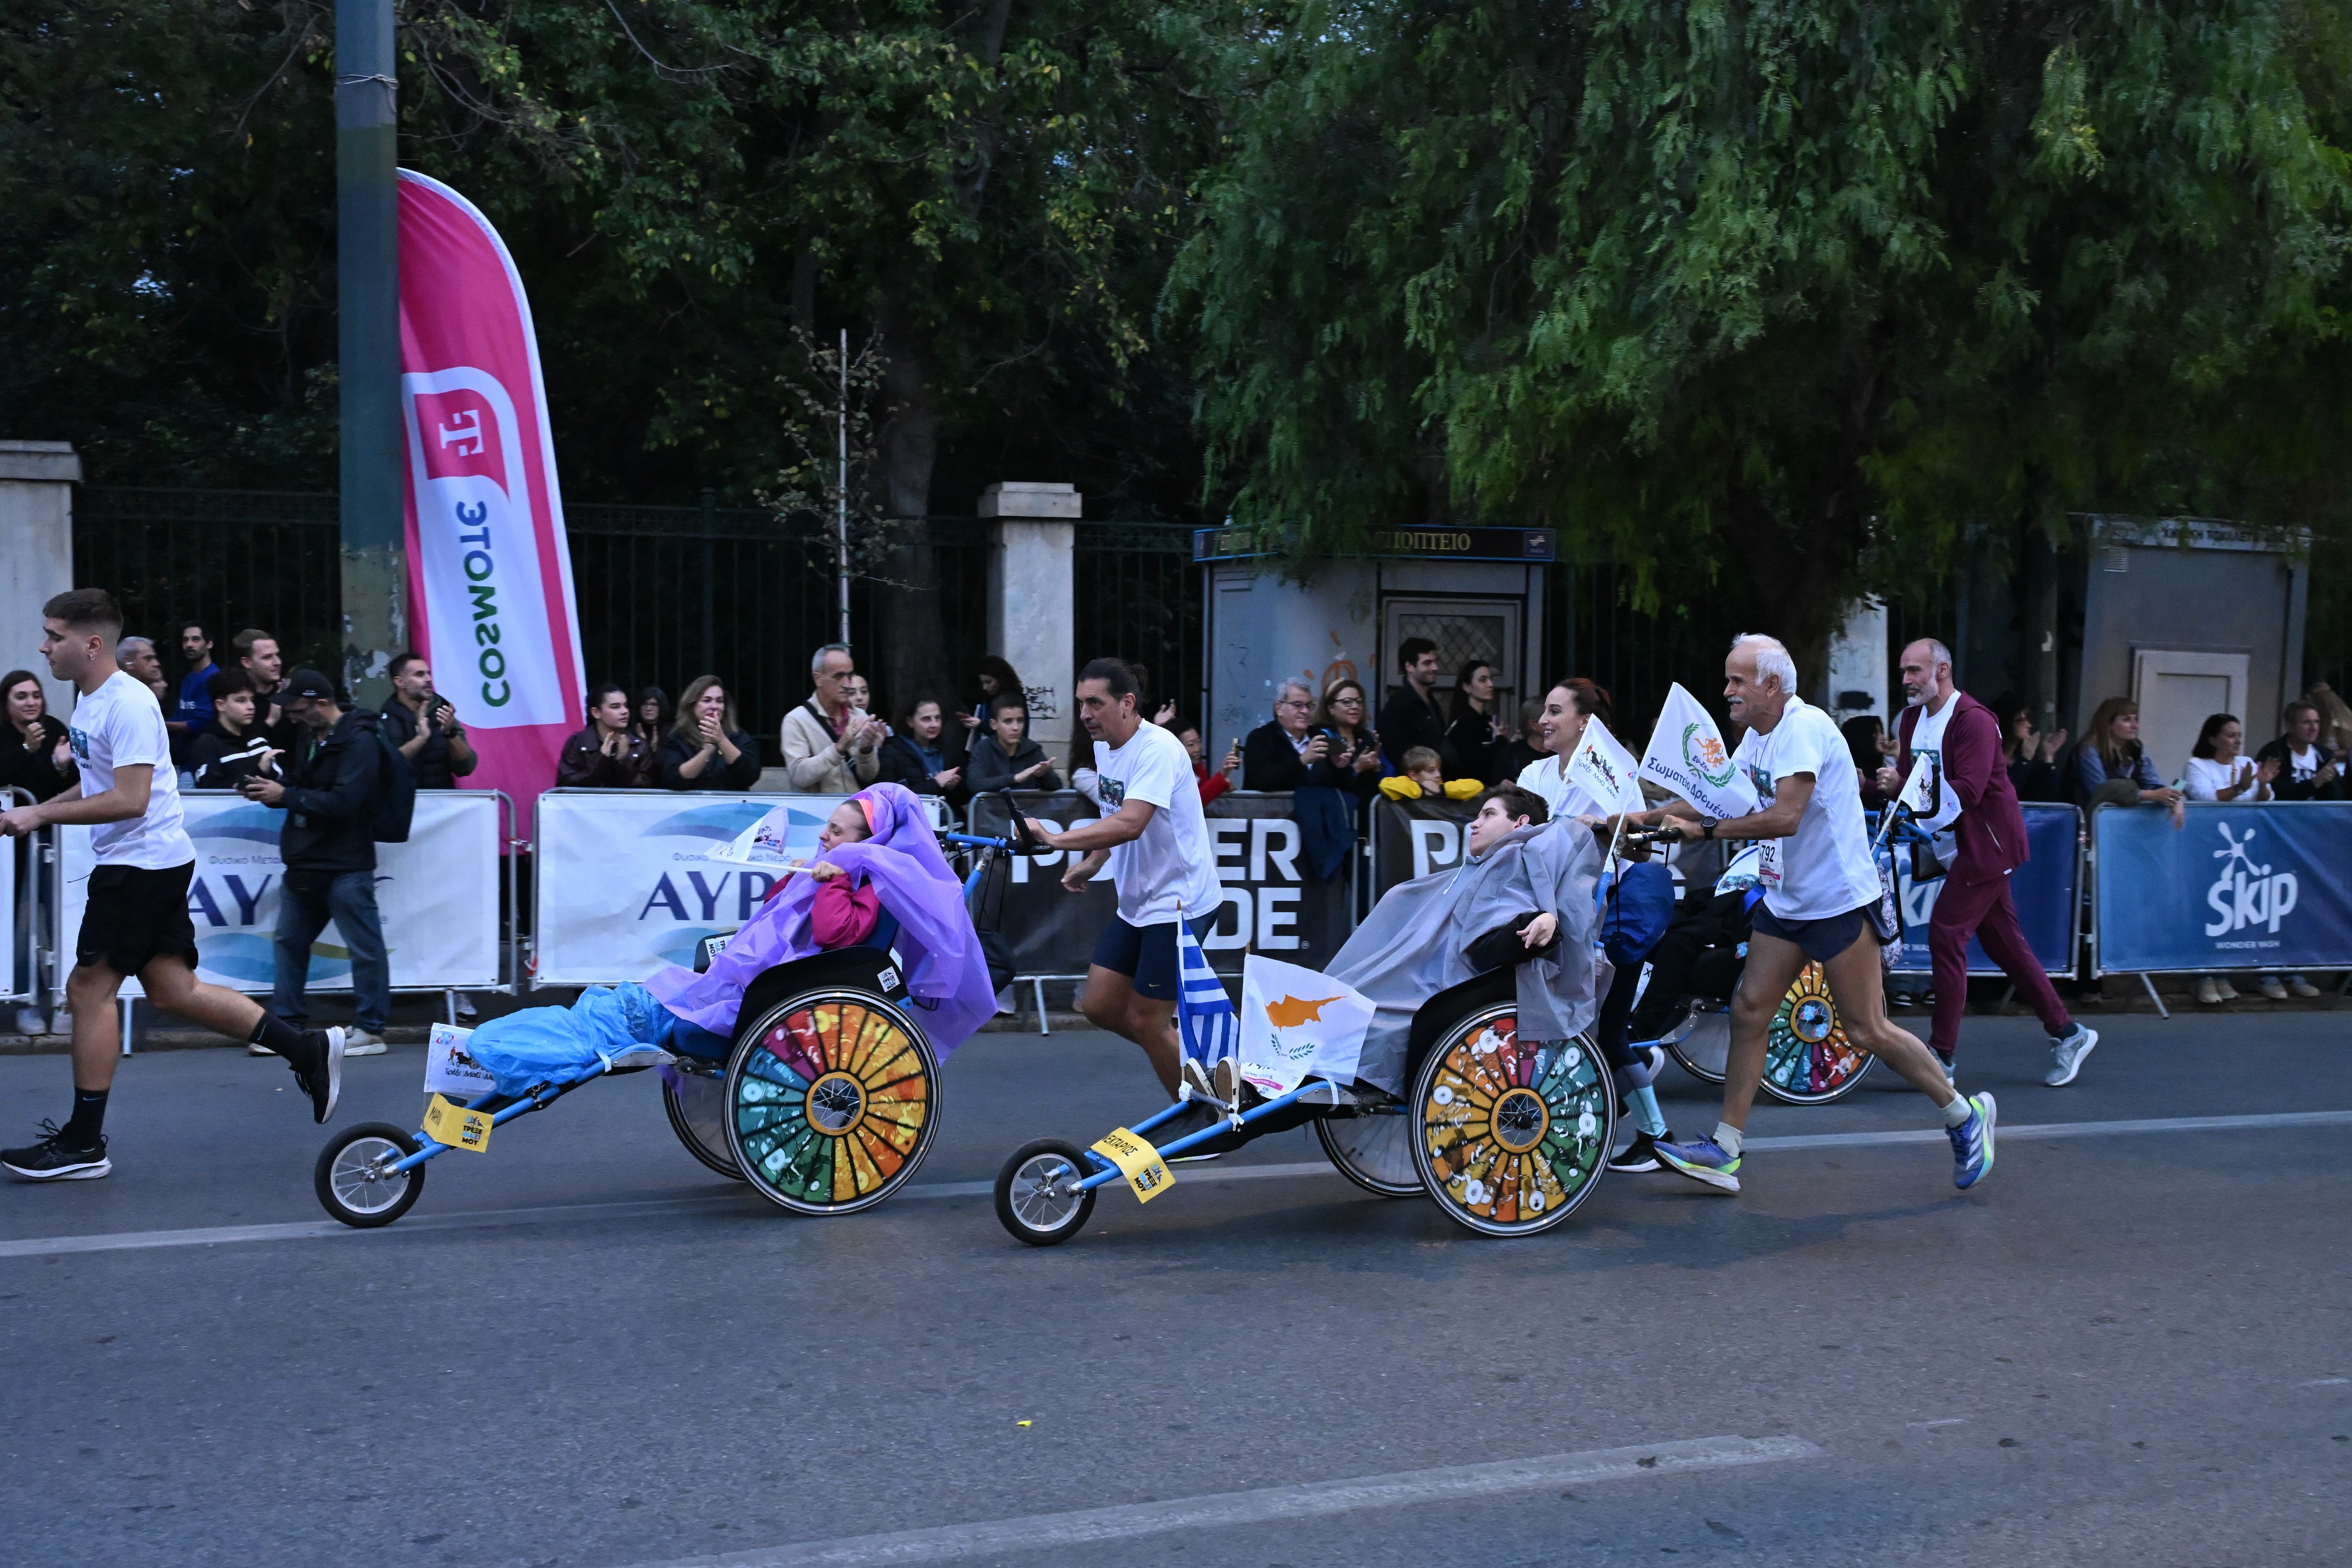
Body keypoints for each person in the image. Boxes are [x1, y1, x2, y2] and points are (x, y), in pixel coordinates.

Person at [1633, 634, 1996, 1195]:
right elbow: (1721, 796)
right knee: (1750, 1009)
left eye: (1737, 681)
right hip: (1787, 900)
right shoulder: (1759, 736)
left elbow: (1784, 818)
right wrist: (1640, 817)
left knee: (1865, 1029)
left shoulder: (1803, 729)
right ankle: (1725, 1151)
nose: (1727, 691)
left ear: (1772, 686)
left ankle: (1964, 1116)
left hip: (1837, 903)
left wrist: (1701, 831)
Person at [0, 590, 345, 1180]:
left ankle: (84, 1144)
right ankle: (305, 1048)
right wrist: (36, 810)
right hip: (145, 863)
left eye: (53, 635)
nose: (43, 646)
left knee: (88, 991)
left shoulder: (129, 705)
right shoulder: (90, 700)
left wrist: (40, 816)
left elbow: (131, 800)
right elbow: (97, 784)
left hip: (141, 865)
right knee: (172, 989)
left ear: (91, 644)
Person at [468, 784, 995, 1097]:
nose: (824, 837)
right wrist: (808, 874)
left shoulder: (859, 889)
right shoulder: (835, 875)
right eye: (828, 827)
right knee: (615, 1007)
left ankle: (487, 1054)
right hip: (736, 990)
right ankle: (484, 1054)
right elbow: (774, 918)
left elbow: (835, 935)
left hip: (755, 1004)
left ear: (871, 843)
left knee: (622, 1017)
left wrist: (833, 876)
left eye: (837, 831)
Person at [1875, 639, 2098, 1087]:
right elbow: (1909, 785)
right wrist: (1878, 786)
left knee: (1946, 935)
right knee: (2004, 945)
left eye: (1914, 671)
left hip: (1987, 847)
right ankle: (2068, 1031)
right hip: (1958, 846)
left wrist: (1903, 785)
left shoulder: (1974, 720)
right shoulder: (1913, 720)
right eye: (1904, 672)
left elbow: (1968, 792)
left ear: (1942, 670)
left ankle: (1942, 1057)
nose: (1906, 681)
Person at [1326, 783, 1602, 1101]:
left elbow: (1507, 925)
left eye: (1488, 814)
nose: (1475, 823)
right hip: (1428, 980)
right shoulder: (1479, 870)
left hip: (1448, 988)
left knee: (1351, 1018)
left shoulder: (1517, 859)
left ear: (1521, 824)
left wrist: (1542, 921)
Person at [1023, 660, 1220, 1098]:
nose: (1086, 714)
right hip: (1139, 903)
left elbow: (1132, 822)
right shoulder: (1106, 747)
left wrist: (1058, 841)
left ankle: (1205, 1115)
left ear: (1127, 703)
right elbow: (1115, 817)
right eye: (1081, 704)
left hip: (1179, 904)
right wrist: (1093, 862)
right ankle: (1196, 1066)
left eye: (1096, 703)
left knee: (1147, 1019)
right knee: (1100, 1006)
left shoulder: (1159, 749)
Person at [237, 668, 392, 1057]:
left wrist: (284, 795)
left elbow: (343, 803)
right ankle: (287, 1028)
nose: (292, 715)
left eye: (299, 708)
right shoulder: (311, 735)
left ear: (322, 704)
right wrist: (268, 787)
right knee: (290, 942)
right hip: (307, 861)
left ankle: (372, 1030)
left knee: (365, 948)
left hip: (345, 864)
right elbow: (305, 788)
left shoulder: (361, 742)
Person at [2180, 712, 2280, 1006]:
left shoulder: (2248, 764)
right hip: (2207, 849)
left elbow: (2267, 799)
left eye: (2239, 735)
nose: (2237, 741)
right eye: (2230, 735)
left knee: (2234, 912)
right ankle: (2202, 976)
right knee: (2207, 910)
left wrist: (2262, 784)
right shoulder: (2196, 765)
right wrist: (2239, 788)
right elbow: (2204, 796)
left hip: (2244, 852)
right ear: (2212, 739)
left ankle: (2222, 973)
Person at [781, 643, 882, 793]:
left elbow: (868, 777)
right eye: (838, 676)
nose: (846, 684)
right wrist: (839, 748)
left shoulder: (860, 716)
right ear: (818, 679)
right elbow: (799, 776)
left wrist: (867, 750)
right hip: (818, 812)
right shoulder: (796, 720)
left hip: (856, 811)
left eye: (849, 676)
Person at [2073, 697, 2184, 824]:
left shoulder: (2136, 748)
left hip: (2122, 825)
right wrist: (2151, 795)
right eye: (2127, 720)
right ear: (2108, 724)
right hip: (2088, 825)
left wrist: (2174, 797)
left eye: (2136, 719)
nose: (2135, 726)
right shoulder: (2088, 751)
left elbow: (2152, 783)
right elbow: (2103, 792)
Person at [379, 653, 478, 790]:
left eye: (428, 674)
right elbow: (386, 767)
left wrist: (450, 734)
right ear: (400, 682)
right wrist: (422, 738)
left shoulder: (443, 713)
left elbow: (466, 767)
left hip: (441, 807)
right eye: (420, 675)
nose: (429, 679)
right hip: (402, 807)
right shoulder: (383, 720)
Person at [659, 676, 762, 791]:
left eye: (720, 701)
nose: (714, 707)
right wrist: (707, 750)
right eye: (707, 701)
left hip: (732, 807)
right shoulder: (677, 739)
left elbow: (751, 775)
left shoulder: (739, 736)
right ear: (692, 706)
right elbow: (674, 779)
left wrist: (722, 740)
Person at [189, 669, 276, 789]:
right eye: (241, 700)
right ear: (220, 705)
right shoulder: (206, 744)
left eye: (252, 700)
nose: (251, 707)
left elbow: (281, 783)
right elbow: (210, 789)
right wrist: (260, 771)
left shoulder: (259, 741)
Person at [0, 668, 77, 803]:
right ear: (5, 702)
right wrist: (26, 748)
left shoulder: (53, 728)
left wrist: (62, 767)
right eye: (21, 697)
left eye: (37, 696)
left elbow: (73, 786)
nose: (31, 703)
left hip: (48, 817)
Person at [1378, 637, 1452, 774]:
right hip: (1411, 786)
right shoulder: (1399, 705)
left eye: (1435, 662)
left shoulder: (1431, 702)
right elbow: (1395, 752)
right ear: (1410, 667)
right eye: (1427, 663)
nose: (1435, 668)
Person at [557, 684, 654, 788]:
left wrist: (623, 762)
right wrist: (602, 760)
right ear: (596, 713)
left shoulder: (639, 746)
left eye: (626, 706)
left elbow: (646, 787)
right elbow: (566, 785)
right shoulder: (579, 742)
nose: (625, 711)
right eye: (615, 707)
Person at [963, 693, 1060, 794]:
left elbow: (1057, 786)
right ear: (994, 724)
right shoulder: (982, 749)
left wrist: (1043, 775)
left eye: (1020, 721)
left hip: (1026, 809)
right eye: (1008, 722)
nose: (1016, 728)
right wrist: (1015, 778)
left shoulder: (1031, 748)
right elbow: (974, 784)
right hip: (994, 810)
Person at [1309, 678, 1385, 804]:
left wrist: (1379, 767)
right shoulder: (1320, 737)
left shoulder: (1368, 737)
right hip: (1335, 811)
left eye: (1359, 702)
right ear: (1331, 708)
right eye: (1347, 702)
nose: (1355, 707)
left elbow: (1389, 775)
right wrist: (1356, 768)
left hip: (1367, 812)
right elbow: (1322, 781)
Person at [1242, 679, 1326, 790]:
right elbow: (1261, 780)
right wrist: (1301, 761)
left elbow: (1336, 786)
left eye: (1309, 706)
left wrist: (1340, 767)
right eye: (1298, 705)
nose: (1305, 711)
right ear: (1279, 709)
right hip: (1273, 807)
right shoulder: (1261, 738)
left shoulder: (1319, 736)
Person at [877, 696, 966, 800]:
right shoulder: (891, 753)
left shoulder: (949, 748)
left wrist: (954, 787)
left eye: (938, 718)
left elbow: (965, 796)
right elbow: (889, 798)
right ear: (910, 722)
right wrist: (935, 784)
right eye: (926, 719)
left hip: (947, 814)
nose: (934, 724)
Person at [2256, 700, 2344, 803]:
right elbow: (2277, 795)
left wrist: (2330, 784)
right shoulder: (2274, 754)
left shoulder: (2325, 755)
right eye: (2307, 722)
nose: (2314, 728)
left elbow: (2337, 799)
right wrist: (2315, 782)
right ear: (2290, 727)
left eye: (2317, 722)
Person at [1992, 696, 2068, 803]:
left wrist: (2049, 757)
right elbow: (2005, 793)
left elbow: (2049, 798)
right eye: (2021, 720)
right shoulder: (1992, 759)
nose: (2029, 725)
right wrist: (2024, 760)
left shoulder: (2027, 758)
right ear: (2007, 722)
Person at [1444, 660, 1506, 784]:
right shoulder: (1465, 723)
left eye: (1490, 679)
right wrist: (1501, 742)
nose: (1490, 684)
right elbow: (1475, 766)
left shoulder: (1485, 720)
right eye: (1483, 680)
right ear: (1467, 687)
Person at [233, 628, 292, 748]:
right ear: (247, 663)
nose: (278, 662)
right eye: (267, 657)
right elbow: (237, 748)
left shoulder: (289, 694)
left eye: (277, 655)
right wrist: (270, 721)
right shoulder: (235, 700)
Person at [170, 621, 217, 754]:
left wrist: (157, 724)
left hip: (203, 762)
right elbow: (180, 718)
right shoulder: (188, 679)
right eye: (186, 640)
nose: (189, 645)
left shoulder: (214, 678)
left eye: (196, 640)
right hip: (185, 761)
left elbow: (202, 723)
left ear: (209, 644)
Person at [1173, 721, 1241, 804]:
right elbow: (1195, 802)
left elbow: (1204, 789)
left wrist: (1225, 785)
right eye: (1191, 745)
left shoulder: (1197, 767)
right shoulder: (1170, 772)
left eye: (1199, 742)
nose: (1197, 749)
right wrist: (1223, 775)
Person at [1377, 746, 1479, 801]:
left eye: (1439, 770)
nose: (1438, 775)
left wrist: (1442, 790)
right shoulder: (1407, 784)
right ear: (1414, 775)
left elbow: (1477, 786)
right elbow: (1385, 785)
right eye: (1431, 771)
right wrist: (1422, 790)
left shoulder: (1445, 788)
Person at [1842, 714, 1895, 810]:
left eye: (1881, 733)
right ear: (1862, 737)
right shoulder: (1851, 771)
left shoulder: (1880, 768)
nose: (1883, 738)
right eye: (1876, 734)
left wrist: (1899, 756)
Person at [962, 654, 1024, 734]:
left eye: (989, 682)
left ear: (1001, 679)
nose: (985, 687)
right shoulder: (989, 699)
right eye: (983, 683)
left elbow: (1011, 734)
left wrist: (980, 725)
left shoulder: (1015, 700)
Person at [1490, 698, 1545, 781]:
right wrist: (1503, 787)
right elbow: (1494, 786)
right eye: (1546, 719)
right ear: (1533, 725)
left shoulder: (1561, 754)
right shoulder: (1510, 753)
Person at [631, 686, 671, 752]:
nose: (649, 708)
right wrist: (643, 743)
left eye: (654, 705)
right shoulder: (632, 733)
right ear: (639, 708)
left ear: (661, 708)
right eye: (645, 704)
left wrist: (655, 749)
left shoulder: (670, 733)